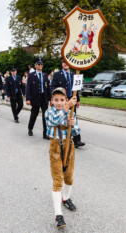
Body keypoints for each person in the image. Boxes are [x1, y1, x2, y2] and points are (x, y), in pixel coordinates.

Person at [45, 87, 79, 229]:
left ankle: (66, 198)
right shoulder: (49, 111)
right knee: (58, 179)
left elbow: (77, 130)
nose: (59, 103)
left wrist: (73, 125)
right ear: (52, 101)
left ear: (66, 99)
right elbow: (55, 120)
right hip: (55, 147)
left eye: (62, 100)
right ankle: (58, 214)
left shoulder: (70, 111)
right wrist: (67, 106)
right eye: (56, 100)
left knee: (69, 177)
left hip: (69, 145)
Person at [51, 60, 85, 148]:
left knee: (73, 119)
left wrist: (78, 99)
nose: (65, 64)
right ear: (61, 63)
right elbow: (53, 87)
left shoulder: (74, 75)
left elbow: (76, 88)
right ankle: (63, 139)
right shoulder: (57, 74)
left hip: (72, 99)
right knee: (63, 119)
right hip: (62, 101)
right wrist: (53, 99)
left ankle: (77, 140)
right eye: (63, 62)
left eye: (67, 62)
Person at [26, 58, 51, 139]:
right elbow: (28, 87)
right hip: (35, 98)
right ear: (35, 65)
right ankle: (30, 128)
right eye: (39, 64)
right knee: (34, 114)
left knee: (45, 116)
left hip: (44, 98)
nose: (40, 65)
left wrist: (50, 99)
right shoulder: (31, 75)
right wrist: (28, 99)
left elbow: (48, 88)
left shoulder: (44, 75)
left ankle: (45, 133)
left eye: (41, 64)